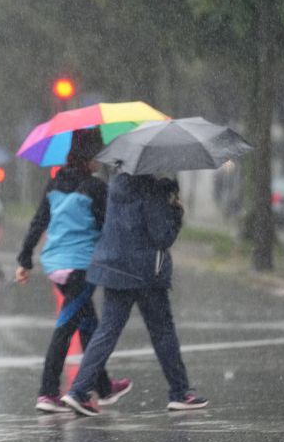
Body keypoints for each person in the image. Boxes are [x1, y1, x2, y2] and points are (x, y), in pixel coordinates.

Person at [60, 172, 207, 415]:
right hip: (145, 272)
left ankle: (78, 391)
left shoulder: (118, 182)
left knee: (106, 331)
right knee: (162, 331)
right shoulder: (155, 188)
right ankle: (180, 392)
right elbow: (162, 236)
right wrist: (177, 211)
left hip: (115, 267)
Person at [15, 130, 131, 413]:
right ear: (89, 158)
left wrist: (25, 259)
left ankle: (103, 386)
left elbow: (39, 220)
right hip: (81, 266)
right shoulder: (95, 187)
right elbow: (108, 227)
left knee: (88, 324)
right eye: (97, 156)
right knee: (66, 327)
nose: (99, 161)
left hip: (54, 263)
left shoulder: (55, 182)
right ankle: (48, 392)